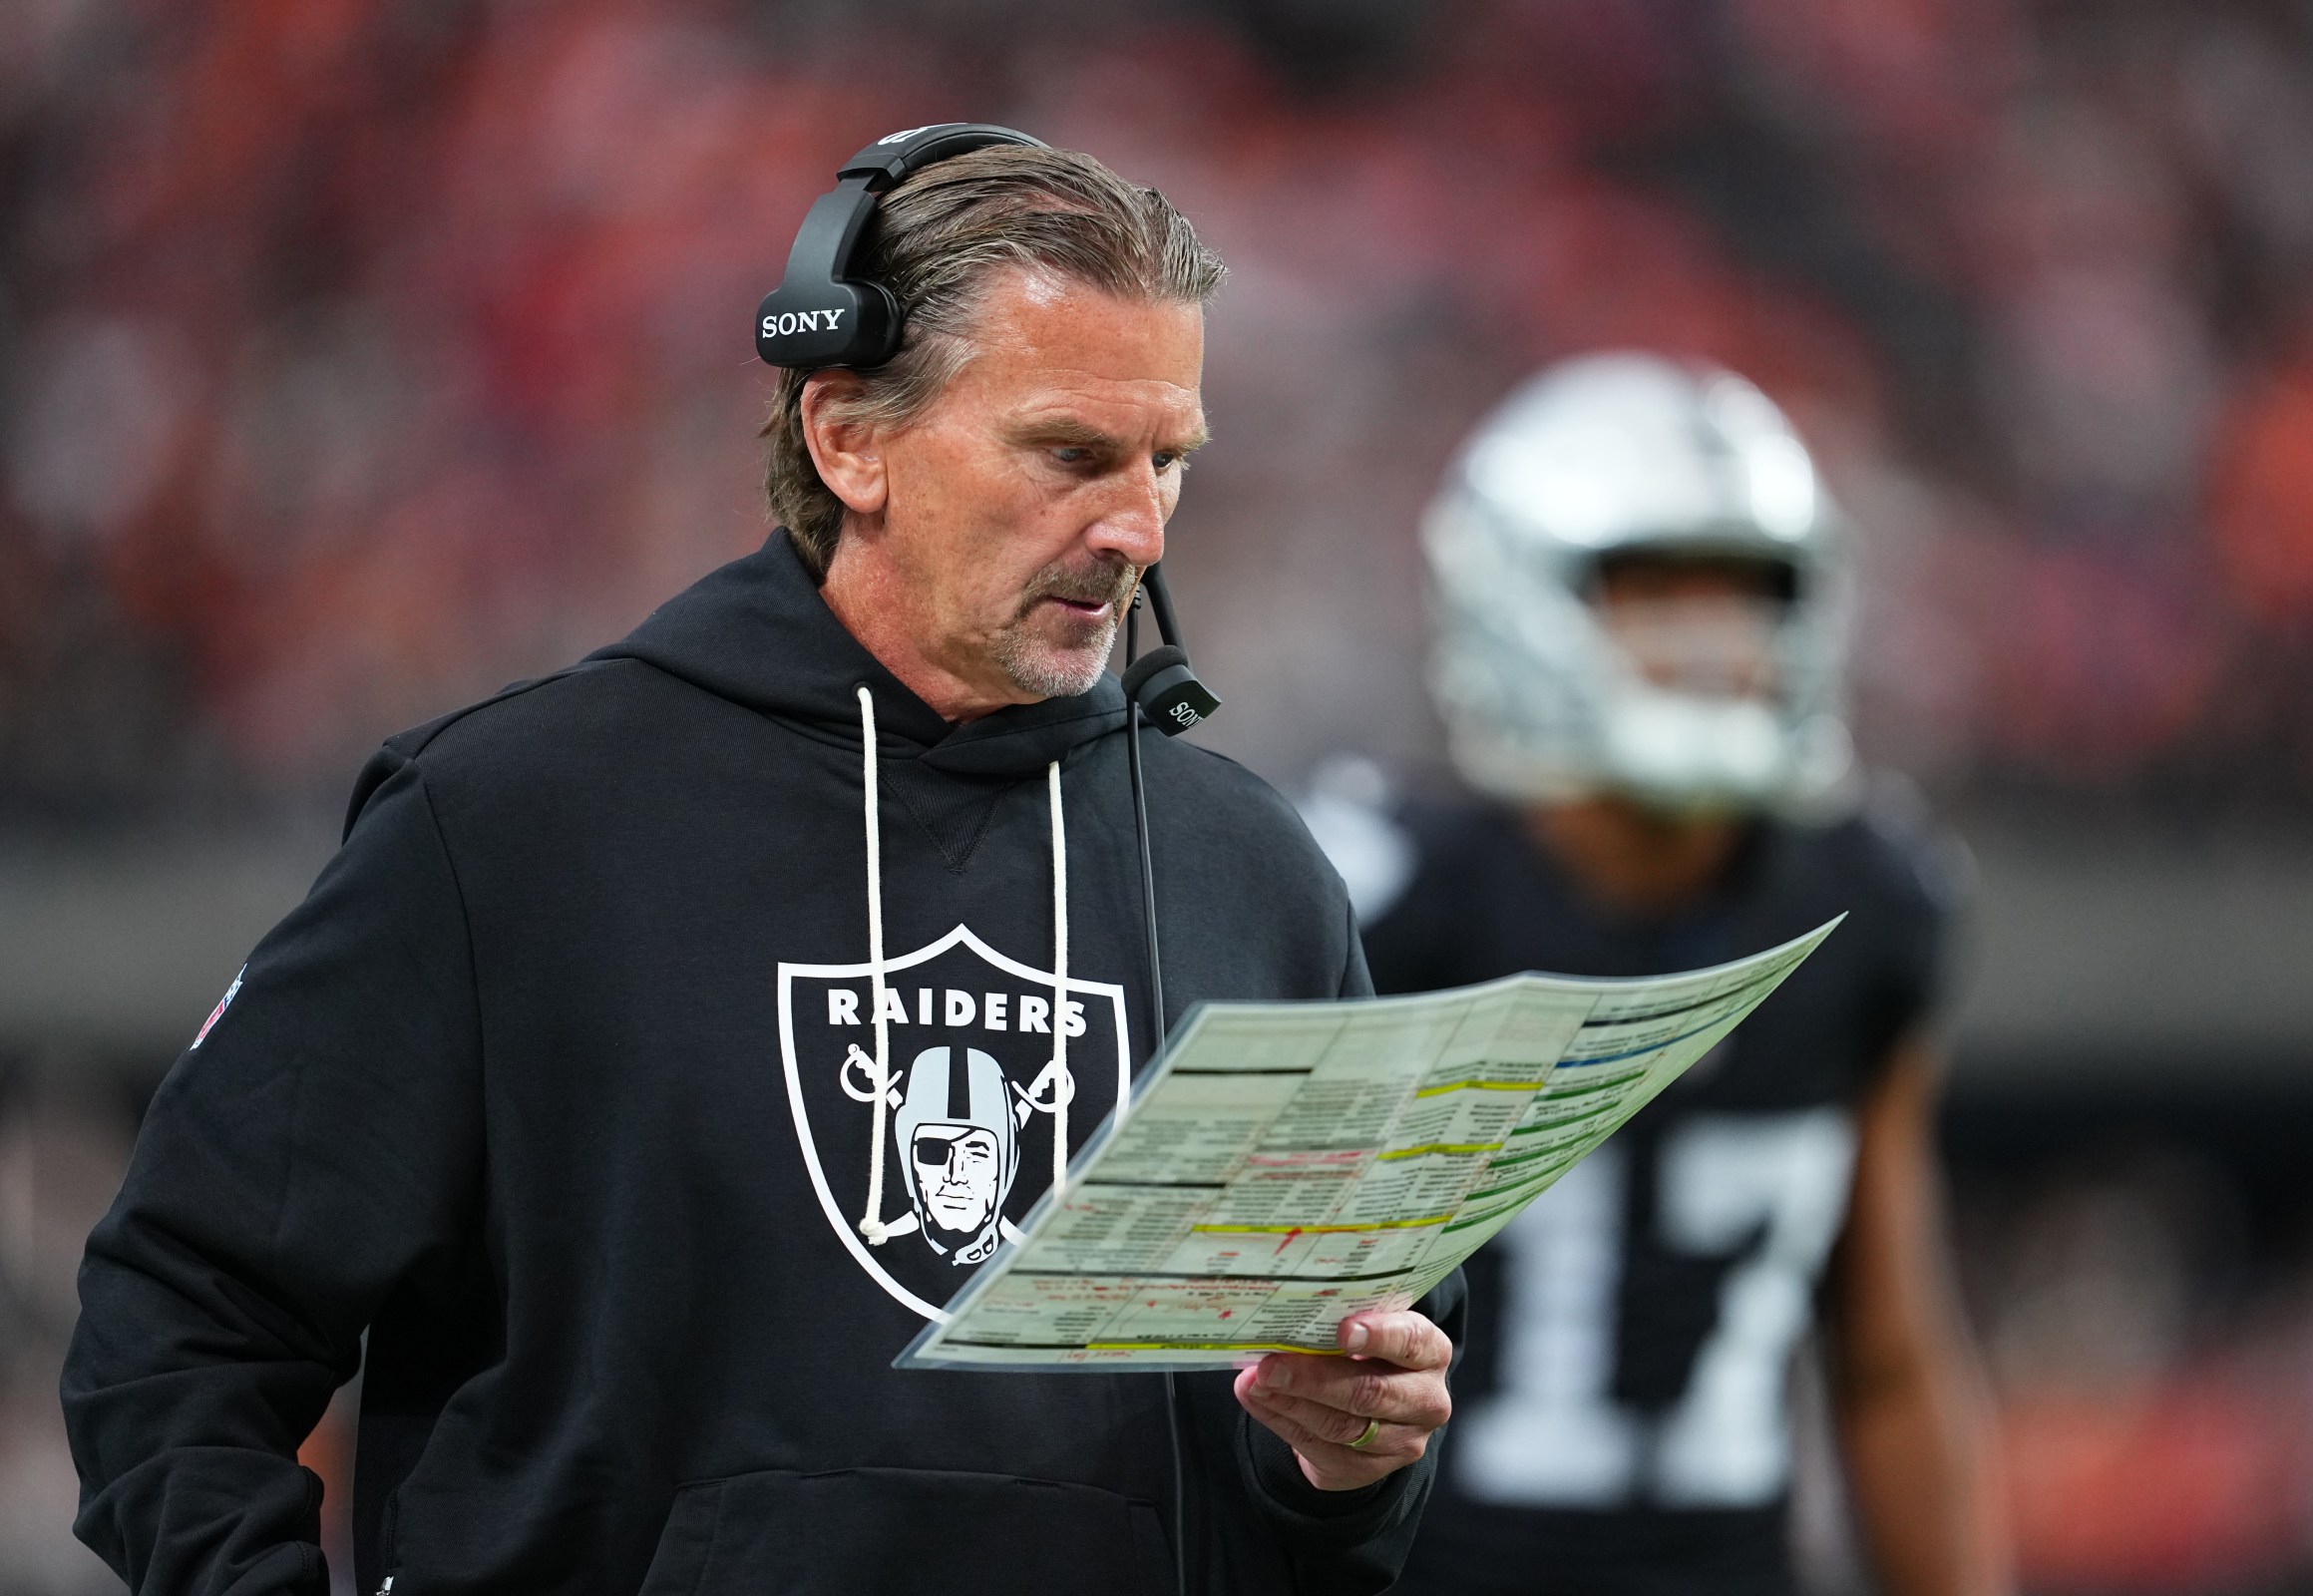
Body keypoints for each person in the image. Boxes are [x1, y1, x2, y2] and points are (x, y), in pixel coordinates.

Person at [64, 134, 1457, 1596]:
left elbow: (1323, 1490)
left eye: (1166, 461)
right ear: (849, 436)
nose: (1136, 528)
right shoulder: (511, 821)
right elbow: (180, 1317)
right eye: (1071, 453)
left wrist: (1342, 1467)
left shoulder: (1252, 873)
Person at [1312, 354, 2009, 1596]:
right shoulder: (1390, 901)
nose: (1708, 636)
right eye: (1651, 587)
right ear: (1522, 593)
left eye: (1744, 592)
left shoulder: (1864, 902)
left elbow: (1891, 1353)